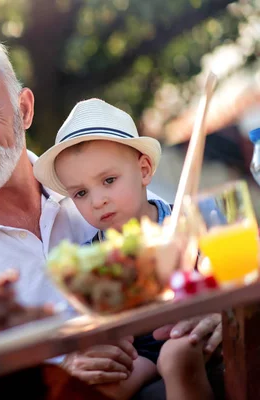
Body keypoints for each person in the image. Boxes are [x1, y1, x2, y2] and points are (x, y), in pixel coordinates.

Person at [0, 35, 223, 399]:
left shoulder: (97, 182)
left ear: (23, 109)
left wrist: (217, 315)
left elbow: (198, 261)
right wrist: (59, 373)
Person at [33, 98, 222, 400]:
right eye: (81, 193)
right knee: (99, 385)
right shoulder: (90, 258)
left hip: (190, 332)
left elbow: (233, 274)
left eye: (108, 180)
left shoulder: (189, 221)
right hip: (137, 353)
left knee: (176, 357)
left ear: (144, 170)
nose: (97, 200)